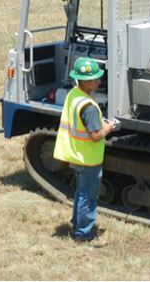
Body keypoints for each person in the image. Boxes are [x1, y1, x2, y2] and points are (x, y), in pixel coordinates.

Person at [53, 57, 115, 248]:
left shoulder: (74, 94)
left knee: (81, 193)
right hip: (88, 158)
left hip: (77, 155)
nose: (100, 81)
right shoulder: (87, 106)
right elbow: (96, 136)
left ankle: (77, 226)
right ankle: (84, 235)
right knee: (88, 197)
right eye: (96, 78)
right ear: (86, 81)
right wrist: (109, 128)